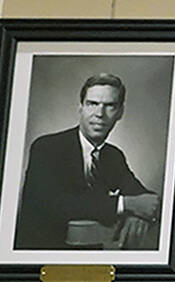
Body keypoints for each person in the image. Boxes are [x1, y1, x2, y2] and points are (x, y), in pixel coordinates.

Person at [14, 72, 159, 250]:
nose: (100, 113)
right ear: (80, 107)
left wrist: (139, 215)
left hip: (90, 257)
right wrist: (126, 204)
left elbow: (145, 199)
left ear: (120, 112)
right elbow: (56, 204)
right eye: (92, 104)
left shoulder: (113, 156)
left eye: (110, 106)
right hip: (37, 256)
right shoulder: (47, 147)